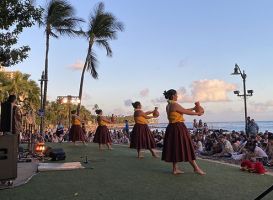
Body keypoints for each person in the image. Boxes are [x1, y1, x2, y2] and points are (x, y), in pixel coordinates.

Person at [161, 89, 205, 175]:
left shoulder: (168, 105)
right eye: (176, 95)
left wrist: (193, 108)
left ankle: (175, 169)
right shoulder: (174, 104)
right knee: (186, 146)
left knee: (175, 147)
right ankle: (196, 168)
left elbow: (182, 110)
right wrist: (198, 113)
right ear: (173, 96)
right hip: (178, 128)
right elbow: (186, 112)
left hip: (171, 128)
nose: (177, 96)